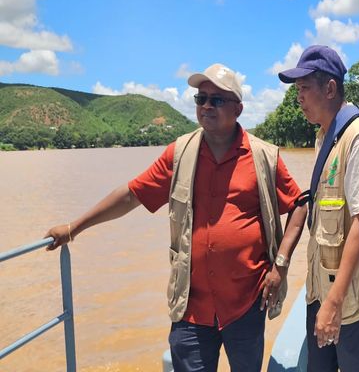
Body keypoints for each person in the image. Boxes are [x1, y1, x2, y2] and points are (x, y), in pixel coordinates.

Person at [44, 63, 308, 372]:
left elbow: (300, 203)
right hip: (191, 306)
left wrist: (281, 264)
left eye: (217, 100)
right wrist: (74, 228)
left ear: (238, 108)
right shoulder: (179, 154)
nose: (206, 106)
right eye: (201, 99)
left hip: (247, 302)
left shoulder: (264, 157)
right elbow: (131, 194)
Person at [278, 45, 359, 372]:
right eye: (297, 90)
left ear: (330, 88)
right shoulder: (325, 136)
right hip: (323, 289)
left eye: (304, 88)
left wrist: (334, 302)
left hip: (351, 301)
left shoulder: (358, 139)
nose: (298, 97)